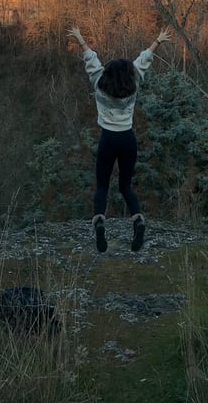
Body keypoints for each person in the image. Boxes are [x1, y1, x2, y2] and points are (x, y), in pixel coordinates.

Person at [67, 25, 171, 253]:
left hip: (107, 140)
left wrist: (81, 39)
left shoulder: (98, 83)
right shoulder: (133, 84)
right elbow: (143, 61)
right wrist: (158, 40)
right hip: (127, 140)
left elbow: (90, 59)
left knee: (102, 185)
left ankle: (99, 223)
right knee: (125, 186)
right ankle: (138, 221)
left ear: (107, 74)